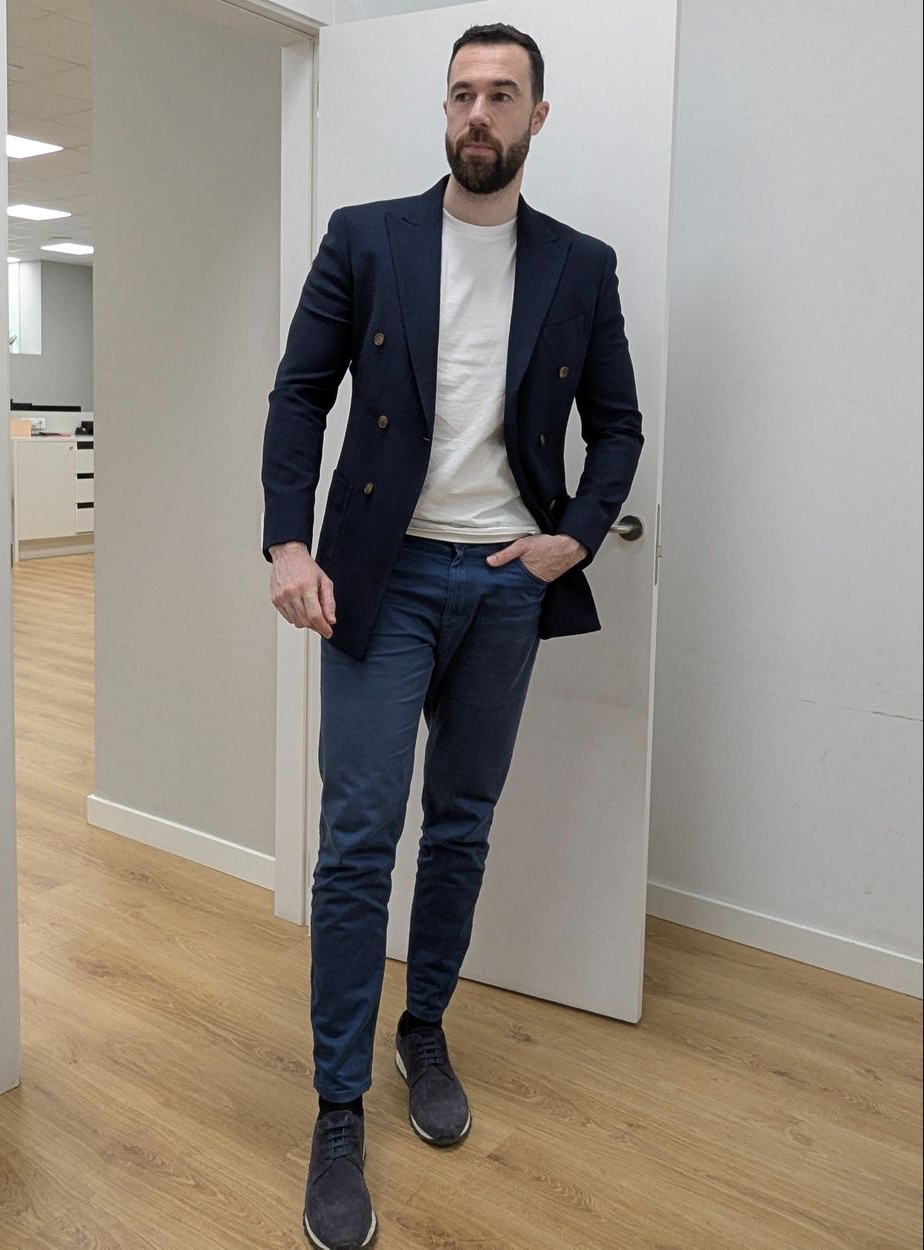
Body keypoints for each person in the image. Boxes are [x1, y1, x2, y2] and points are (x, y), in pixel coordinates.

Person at [261, 22, 643, 1250]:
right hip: (378, 580)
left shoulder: (581, 266)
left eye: (501, 95)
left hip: (502, 586)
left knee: (463, 823)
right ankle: (336, 1105)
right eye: (462, 93)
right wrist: (287, 541)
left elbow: (619, 425)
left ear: (538, 117)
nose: (477, 112)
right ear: (446, 111)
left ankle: (423, 1027)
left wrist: (569, 538)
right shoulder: (367, 236)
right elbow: (298, 391)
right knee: (358, 839)